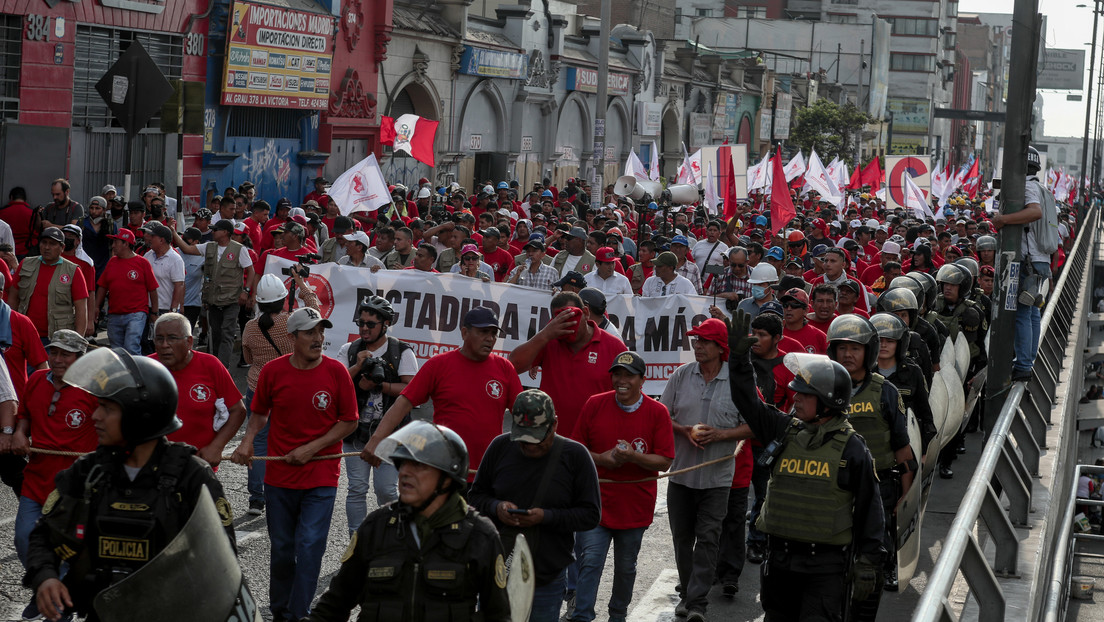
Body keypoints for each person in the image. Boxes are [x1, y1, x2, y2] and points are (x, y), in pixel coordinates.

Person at [23, 347, 238, 622]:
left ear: (141, 415)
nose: (95, 416)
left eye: (108, 408)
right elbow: (44, 535)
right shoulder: (88, 471)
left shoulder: (192, 477)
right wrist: (45, 577)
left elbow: (223, 563)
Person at [725, 311, 886, 621]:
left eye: (805, 394)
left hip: (824, 568)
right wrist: (739, 360)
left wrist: (869, 560)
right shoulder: (784, 429)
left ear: (828, 401)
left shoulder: (852, 448)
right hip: (780, 561)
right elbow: (748, 402)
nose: (795, 397)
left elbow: (870, 509)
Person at [308, 421, 511, 622]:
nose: (404, 472)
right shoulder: (376, 526)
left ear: (447, 478)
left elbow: (498, 615)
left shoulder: (479, 535)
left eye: (418, 465)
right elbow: (333, 606)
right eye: (403, 463)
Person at [231, 306, 357, 622]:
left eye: (321, 332)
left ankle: (300, 615)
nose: (318, 338)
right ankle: (281, 612)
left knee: (311, 546)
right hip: (279, 478)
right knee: (283, 550)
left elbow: (349, 421)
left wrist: (310, 449)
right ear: (292, 338)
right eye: (310, 332)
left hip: (321, 477)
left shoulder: (337, 372)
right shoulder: (273, 371)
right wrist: (248, 441)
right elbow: (259, 412)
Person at [469, 390, 602, 622]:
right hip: (499, 571)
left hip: (546, 577)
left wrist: (546, 517)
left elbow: (590, 515)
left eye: (538, 439)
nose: (530, 447)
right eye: (523, 439)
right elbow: (475, 497)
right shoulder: (500, 447)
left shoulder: (575, 456)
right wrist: (497, 507)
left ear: (554, 425)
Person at [362, 307, 523, 485]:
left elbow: (523, 416)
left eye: (493, 333)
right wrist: (377, 439)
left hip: (488, 473)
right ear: (464, 333)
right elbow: (403, 403)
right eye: (484, 332)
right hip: (444, 472)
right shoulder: (438, 365)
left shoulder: (505, 368)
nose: (490, 338)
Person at [570, 351, 675, 622]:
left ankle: (617, 615)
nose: (622, 380)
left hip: (634, 507)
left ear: (643, 380)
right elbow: (577, 450)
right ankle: (581, 615)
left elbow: (665, 461)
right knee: (589, 562)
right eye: (617, 374)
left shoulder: (658, 412)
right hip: (596, 503)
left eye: (629, 375)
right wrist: (602, 459)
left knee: (626, 568)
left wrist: (633, 457)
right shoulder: (595, 404)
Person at [659, 319, 751, 616]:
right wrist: (683, 430)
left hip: (717, 479)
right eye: (696, 340)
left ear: (721, 347)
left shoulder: (738, 381)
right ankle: (688, 593)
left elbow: (754, 425)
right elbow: (662, 416)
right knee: (682, 539)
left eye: (704, 341)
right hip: (681, 476)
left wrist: (721, 435)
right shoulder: (681, 375)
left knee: (709, 539)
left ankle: (697, 603)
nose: (697, 346)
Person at [8, 330, 97, 621]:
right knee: (24, 539)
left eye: (65, 354)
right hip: (36, 478)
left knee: (68, 547)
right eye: (54, 352)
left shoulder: (95, 390)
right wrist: (20, 433)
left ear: (79, 358)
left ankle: (57, 602)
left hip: (74, 487)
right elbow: (24, 415)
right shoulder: (36, 379)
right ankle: (45, 590)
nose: (57, 359)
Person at [825, 314, 915, 601]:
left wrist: (907, 497)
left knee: (875, 553)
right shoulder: (821, 387)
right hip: (832, 484)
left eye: (855, 348)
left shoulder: (886, 391)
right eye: (842, 348)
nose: (847, 355)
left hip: (879, 485)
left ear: (869, 351)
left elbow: (902, 447)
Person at [239, 269, 320, 515]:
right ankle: (288, 489)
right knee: (291, 439)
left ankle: (256, 498)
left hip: (257, 386)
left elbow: (247, 358)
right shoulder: (292, 322)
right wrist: (301, 283)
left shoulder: (250, 327)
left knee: (257, 441)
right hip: (289, 387)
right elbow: (314, 308)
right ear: (283, 298)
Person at [337, 295, 418, 533]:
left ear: (385, 324)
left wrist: (379, 385)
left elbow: (412, 391)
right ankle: (356, 540)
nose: (364, 328)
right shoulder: (349, 350)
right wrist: (357, 367)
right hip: (355, 432)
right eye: (360, 323)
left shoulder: (401, 351)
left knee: (386, 490)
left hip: (392, 434)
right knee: (356, 489)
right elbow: (335, 386)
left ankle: (395, 536)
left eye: (370, 324)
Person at [510, 292, 627, 438]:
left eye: (571, 317)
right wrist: (545, 334)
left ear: (586, 313)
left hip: (596, 439)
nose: (567, 325)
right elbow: (512, 366)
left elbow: (630, 395)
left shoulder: (613, 346)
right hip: (553, 439)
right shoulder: (549, 341)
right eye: (560, 319)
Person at [150, 313, 246, 468]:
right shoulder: (145, 368)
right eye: (159, 339)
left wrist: (217, 446)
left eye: (172, 338)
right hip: (154, 466)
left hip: (200, 466)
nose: (164, 345)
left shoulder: (210, 365)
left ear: (189, 341)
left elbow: (238, 410)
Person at [991, 146, 1051, 381]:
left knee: (1022, 313)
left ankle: (1024, 365)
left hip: (1029, 261)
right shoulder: (1041, 187)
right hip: (1040, 260)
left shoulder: (1027, 186)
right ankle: (1028, 359)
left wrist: (1003, 219)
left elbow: (1034, 212)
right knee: (1033, 310)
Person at [172, 219, 256, 367]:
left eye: (215, 229)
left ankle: (223, 368)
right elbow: (187, 249)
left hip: (232, 300)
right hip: (213, 300)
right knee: (216, 335)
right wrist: (173, 232)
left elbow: (251, 271)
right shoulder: (208, 247)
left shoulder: (239, 249)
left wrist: (246, 291)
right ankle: (215, 366)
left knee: (227, 334)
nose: (212, 231)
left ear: (225, 232)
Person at [6, 227, 89, 340]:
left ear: (62, 248)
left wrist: (77, 341)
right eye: (44, 242)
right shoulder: (26, 264)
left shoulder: (73, 271)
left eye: (52, 244)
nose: (47, 247)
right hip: (25, 333)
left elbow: (81, 309)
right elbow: (13, 298)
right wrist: (10, 328)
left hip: (57, 338)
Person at [93, 228, 158, 354]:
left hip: (136, 314)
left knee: (131, 347)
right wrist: (96, 307)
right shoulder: (112, 262)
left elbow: (153, 289)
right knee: (117, 351)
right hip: (114, 314)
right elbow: (103, 286)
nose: (113, 246)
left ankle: (136, 367)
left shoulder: (142, 263)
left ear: (126, 244)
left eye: (116, 242)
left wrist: (154, 312)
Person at [143, 224, 185, 317]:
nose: (149, 239)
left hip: (166, 309)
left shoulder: (175, 259)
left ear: (161, 240)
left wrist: (173, 310)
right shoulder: (148, 255)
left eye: (153, 236)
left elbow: (179, 285)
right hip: (147, 307)